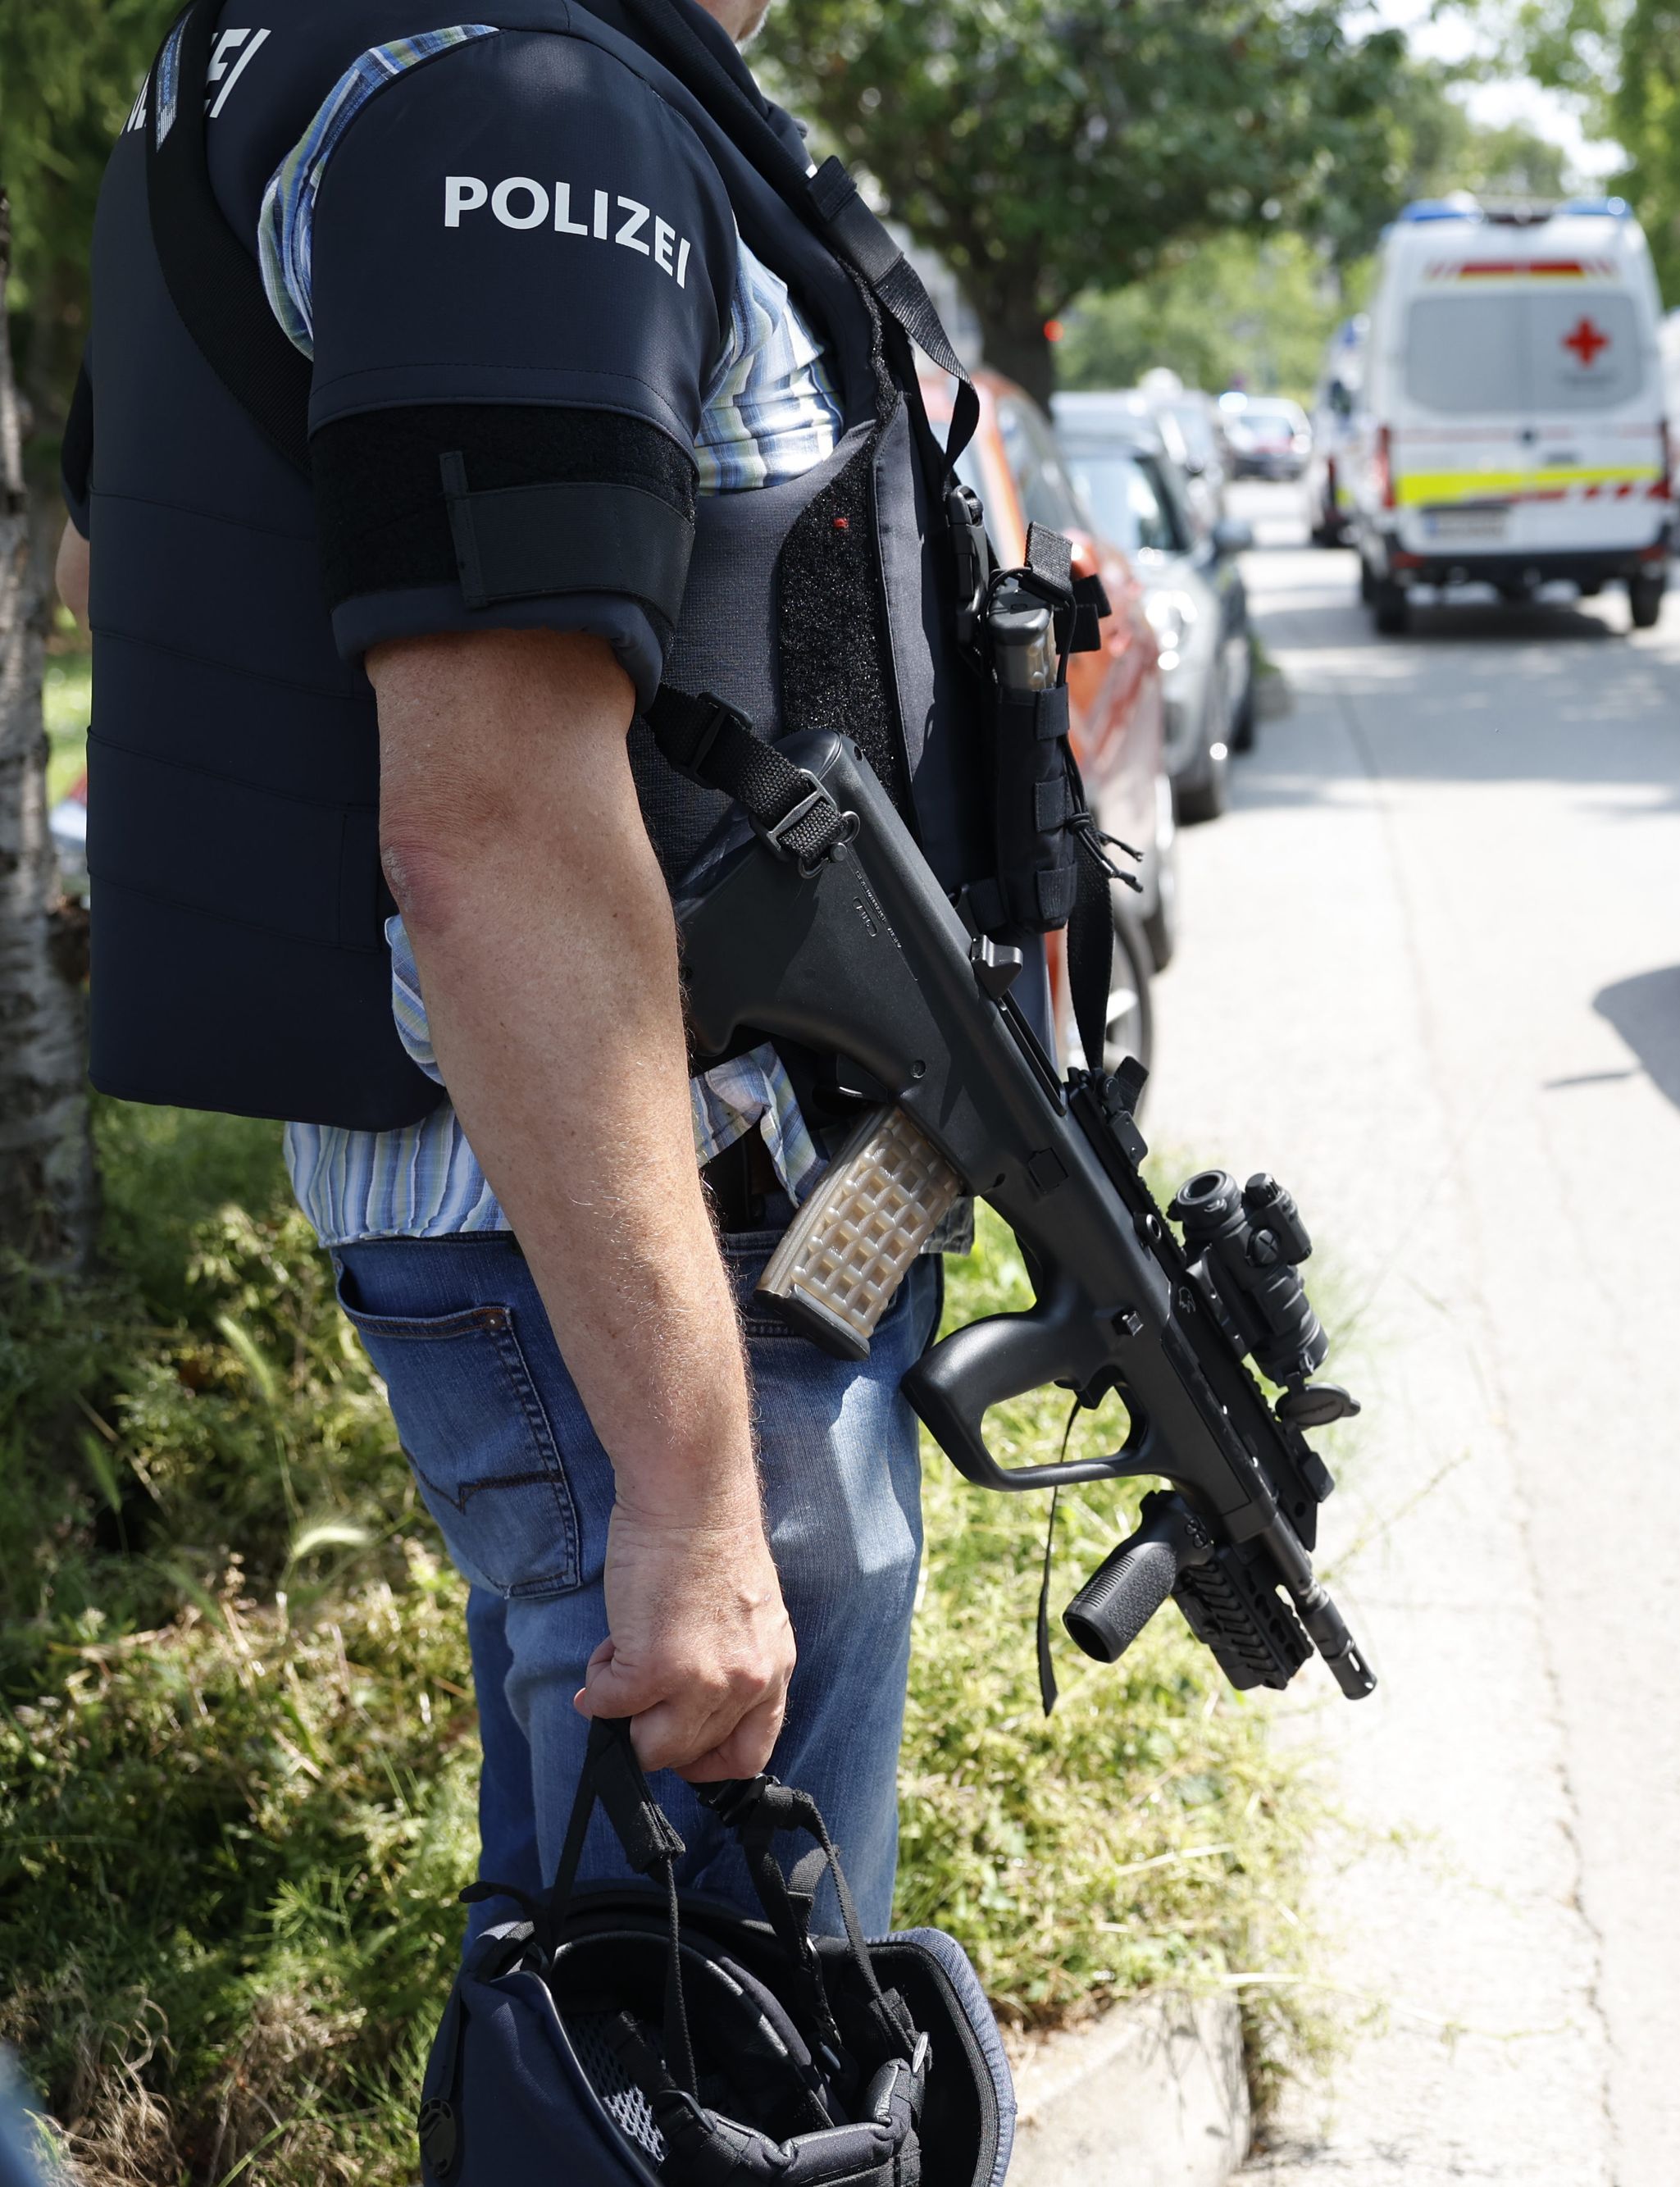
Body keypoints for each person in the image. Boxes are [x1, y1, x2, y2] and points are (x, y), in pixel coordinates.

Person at [60, 0, 1046, 1929]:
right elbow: (495, 817)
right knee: (719, 2052)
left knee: (624, 2015)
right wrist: (687, 1497)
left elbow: (134, 557)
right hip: (660, 1260)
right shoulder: (518, 107)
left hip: (624, 1236)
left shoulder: (309, 55)